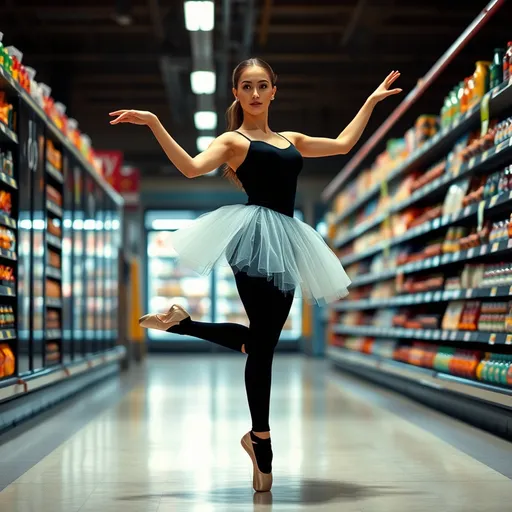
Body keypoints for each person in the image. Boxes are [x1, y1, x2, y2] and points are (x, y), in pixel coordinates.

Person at [109, 58, 401, 492]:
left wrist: (371, 102)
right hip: (250, 238)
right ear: (237, 94)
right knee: (264, 342)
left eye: (263, 85)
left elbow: (342, 145)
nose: (256, 94)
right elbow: (191, 167)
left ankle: (183, 324)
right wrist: (154, 122)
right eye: (247, 87)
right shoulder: (232, 140)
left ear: (274, 91)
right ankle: (260, 439)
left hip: (289, 240)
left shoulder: (292, 140)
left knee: (260, 341)